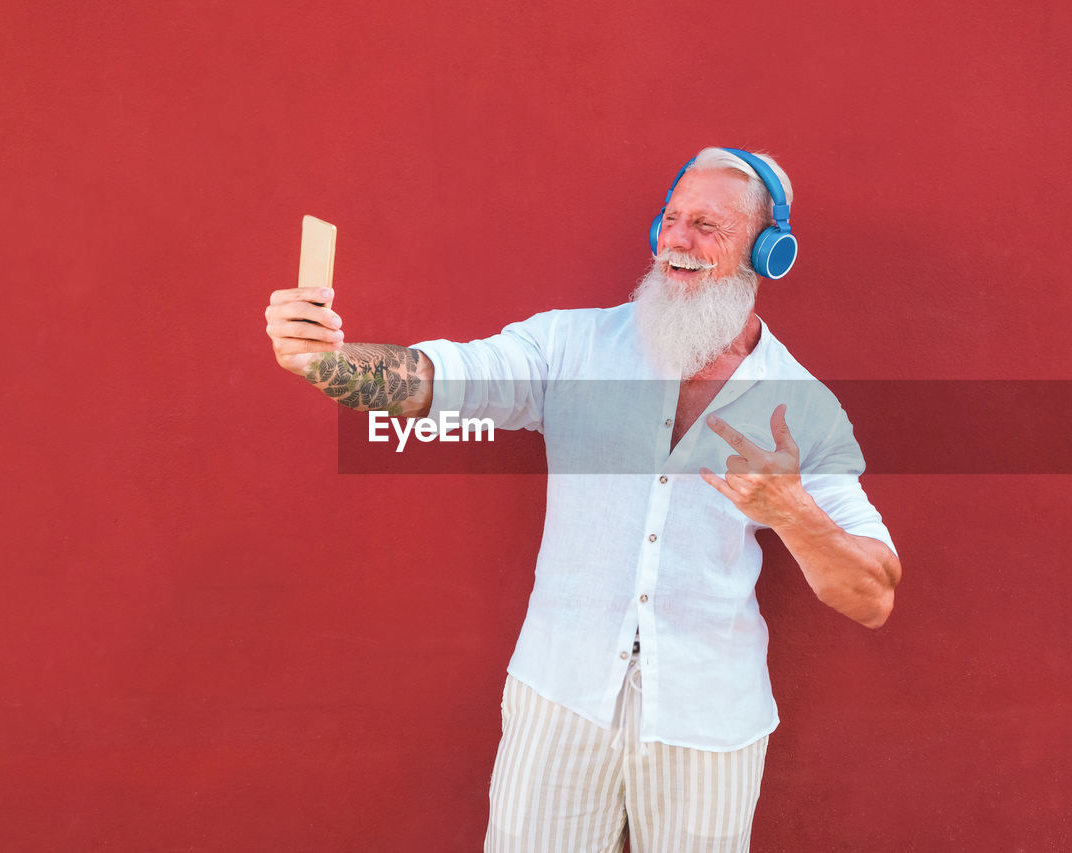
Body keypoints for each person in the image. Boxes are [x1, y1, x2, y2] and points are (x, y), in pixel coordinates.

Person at [264, 147, 902, 852]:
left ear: (769, 250)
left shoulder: (802, 407)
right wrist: (324, 362)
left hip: (710, 720)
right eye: (671, 219)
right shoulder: (570, 345)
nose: (678, 240)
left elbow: (873, 594)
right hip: (559, 696)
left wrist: (793, 512)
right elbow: (439, 377)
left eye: (708, 226)